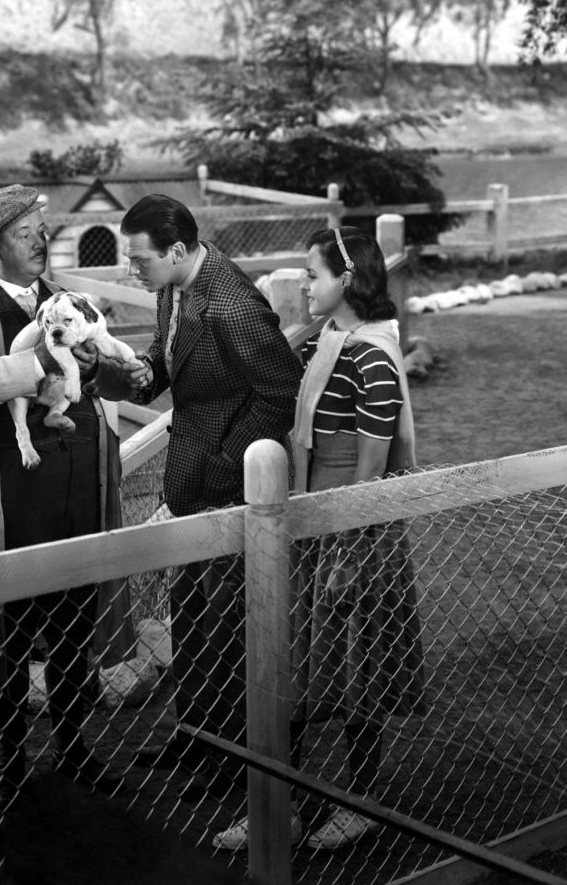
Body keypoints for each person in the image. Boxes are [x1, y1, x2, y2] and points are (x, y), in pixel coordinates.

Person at [213, 225, 425, 852]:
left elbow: (372, 463)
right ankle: (286, 804)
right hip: (311, 518)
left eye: (313, 274)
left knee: (357, 662)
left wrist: (351, 551)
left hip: (352, 525)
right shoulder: (328, 343)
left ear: (348, 280)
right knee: (292, 665)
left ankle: (360, 800)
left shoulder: (372, 355)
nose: (303, 285)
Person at [0, 183, 140, 812]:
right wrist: (40, 368)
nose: (40, 243)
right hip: (14, 490)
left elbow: (104, 375)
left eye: (41, 233)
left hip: (80, 480)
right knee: (11, 626)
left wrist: (111, 363)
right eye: (25, 235)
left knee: (76, 619)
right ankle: (13, 763)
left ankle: (75, 747)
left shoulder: (70, 302)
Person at [119, 193, 303, 802]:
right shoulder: (175, 282)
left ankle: (230, 761)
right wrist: (146, 371)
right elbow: (173, 354)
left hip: (226, 487)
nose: (132, 270)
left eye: (138, 259)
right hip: (190, 484)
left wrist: (227, 467)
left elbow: (280, 389)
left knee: (227, 625)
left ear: (175, 250)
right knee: (193, 616)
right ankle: (194, 734)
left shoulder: (231, 303)